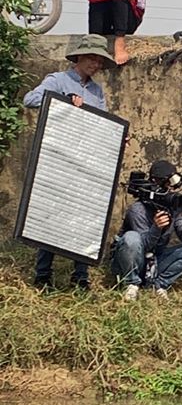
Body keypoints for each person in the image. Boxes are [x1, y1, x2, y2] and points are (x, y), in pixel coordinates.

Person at [23, 33, 116, 291]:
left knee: (84, 216)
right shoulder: (58, 80)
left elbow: (102, 123)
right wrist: (65, 102)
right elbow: (30, 100)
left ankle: (81, 276)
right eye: (92, 58)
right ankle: (43, 275)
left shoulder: (96, 91)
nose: (95, 64)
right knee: (51, 214)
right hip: (59, 158)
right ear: (78, 57)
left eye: (99, 60)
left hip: (85, 162)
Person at [112, 160, 182, 301]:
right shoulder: (138, 210)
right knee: (131, 237)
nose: (170, 189)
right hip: (131, 261)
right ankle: (132, 284)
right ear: (157, 182)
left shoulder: (171, 209)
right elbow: (142, 247)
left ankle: (158, 284)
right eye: (167, 184)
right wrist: (156, 228)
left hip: (154, 261)